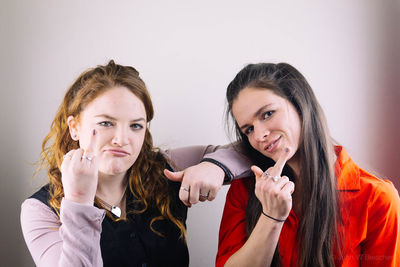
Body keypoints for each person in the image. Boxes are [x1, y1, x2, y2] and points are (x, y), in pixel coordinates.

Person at [20, 60, 246, 267]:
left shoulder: (167, 167)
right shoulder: (41, 210)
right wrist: (79, 204)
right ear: (75, 127)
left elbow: (248, 151)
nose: (121, 139)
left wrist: (215, 166)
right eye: (106, 123)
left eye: (136, 126)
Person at [214, 63, 400, 266]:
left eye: (267, 114)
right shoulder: (247, 188)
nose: (260, 136)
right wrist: (271, 217)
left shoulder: (376, 198)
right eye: (248, 129)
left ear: (300, 104)